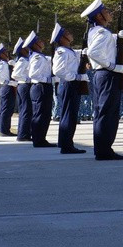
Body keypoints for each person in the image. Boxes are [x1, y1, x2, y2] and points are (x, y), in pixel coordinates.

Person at [82, 0, 123, 161]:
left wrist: (122, 38)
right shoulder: (101, 32)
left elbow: (110, 47)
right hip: (107, 74)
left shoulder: (100, 32)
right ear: (99, 16)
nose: (109, 13)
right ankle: (104, 150)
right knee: (106, 112)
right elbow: (93, 53)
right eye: (105, 11)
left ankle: (103, 148)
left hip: (104, 75)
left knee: (105, 112)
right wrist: (113, 67)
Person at [51, 23, 88, 154]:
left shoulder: (68, 51)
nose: (70, 34)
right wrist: (76, 77)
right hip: (68, 84)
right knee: (69, 115)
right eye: (67, 33)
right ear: (61, 38)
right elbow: (58, 70)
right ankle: (67, 145)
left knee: (68, 115)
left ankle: (64, 142)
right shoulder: (61, 51)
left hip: (69, 84)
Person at [25, 31, 57, 148]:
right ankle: (38, 140)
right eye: (39, 41)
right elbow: (33, 74)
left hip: (43, 86)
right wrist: (47, 80)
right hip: (40, 86)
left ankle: (41, 138)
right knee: (39, 114)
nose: (42, 42)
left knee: (45, 114)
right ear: (35, 45)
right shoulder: (36, 57)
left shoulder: (40, 56)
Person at [0, 43, 16, 136]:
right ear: (1, 54)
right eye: (5, 52)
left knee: (4, 109)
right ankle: (5, 130)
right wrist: (7, 82)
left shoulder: (5, 63)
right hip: (7, 87)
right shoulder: (3, 63)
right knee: (6, 109)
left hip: (7, 87)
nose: (6, 53)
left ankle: (2, 129)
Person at [11, 37, 33, 141]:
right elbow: (15, 75)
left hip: (24, 85)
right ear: (23, 49)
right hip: (24, 85)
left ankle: (24, 133)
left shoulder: (26, 59)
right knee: (26, 110)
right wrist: (28, 79)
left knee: (26, 110)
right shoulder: (22, 60)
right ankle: (23, 135)